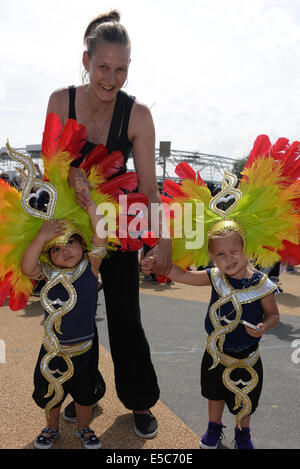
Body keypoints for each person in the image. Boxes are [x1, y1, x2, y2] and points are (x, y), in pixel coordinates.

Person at [45, 9, 172, 437]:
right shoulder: (60, 101)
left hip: (121, 233)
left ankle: (139, 401)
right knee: (77, 317)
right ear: (86, 61)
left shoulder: (139, 116)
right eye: (103, 67)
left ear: (129, 68)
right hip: (72, 234)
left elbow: (152, 190)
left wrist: (165, 241)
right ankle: (87, 392)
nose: (111, 78)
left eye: (120, 69)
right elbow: (49, 168)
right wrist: (70, 174)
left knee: (125, 317)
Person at [142, 227, 280, 449]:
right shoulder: (215, 277)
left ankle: (243, 434)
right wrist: (160, 266)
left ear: (247, 249)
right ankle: (213, 429)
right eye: (221, 254)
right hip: (215, 354)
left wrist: (264, 326)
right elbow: (183, 275)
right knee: (214, 395)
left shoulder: (262, 284)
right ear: (212, 258)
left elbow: (273, 314)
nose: (229, 259)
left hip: (248, 358)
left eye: (234, 251)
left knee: (245, 399)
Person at [20, 182, 107, 449]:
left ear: (83, 244)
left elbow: (102, 235)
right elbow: (26, 267)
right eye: (55, 248)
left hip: (84, 349)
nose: (64, 251)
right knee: (51, 393)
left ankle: (84, 428)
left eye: (70, 242)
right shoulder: (48, 272)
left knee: (84, 395)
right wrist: (40, 238)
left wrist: (91, 206)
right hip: (52, 350)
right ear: (49, 256)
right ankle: (51, 428)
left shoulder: (91, 267)